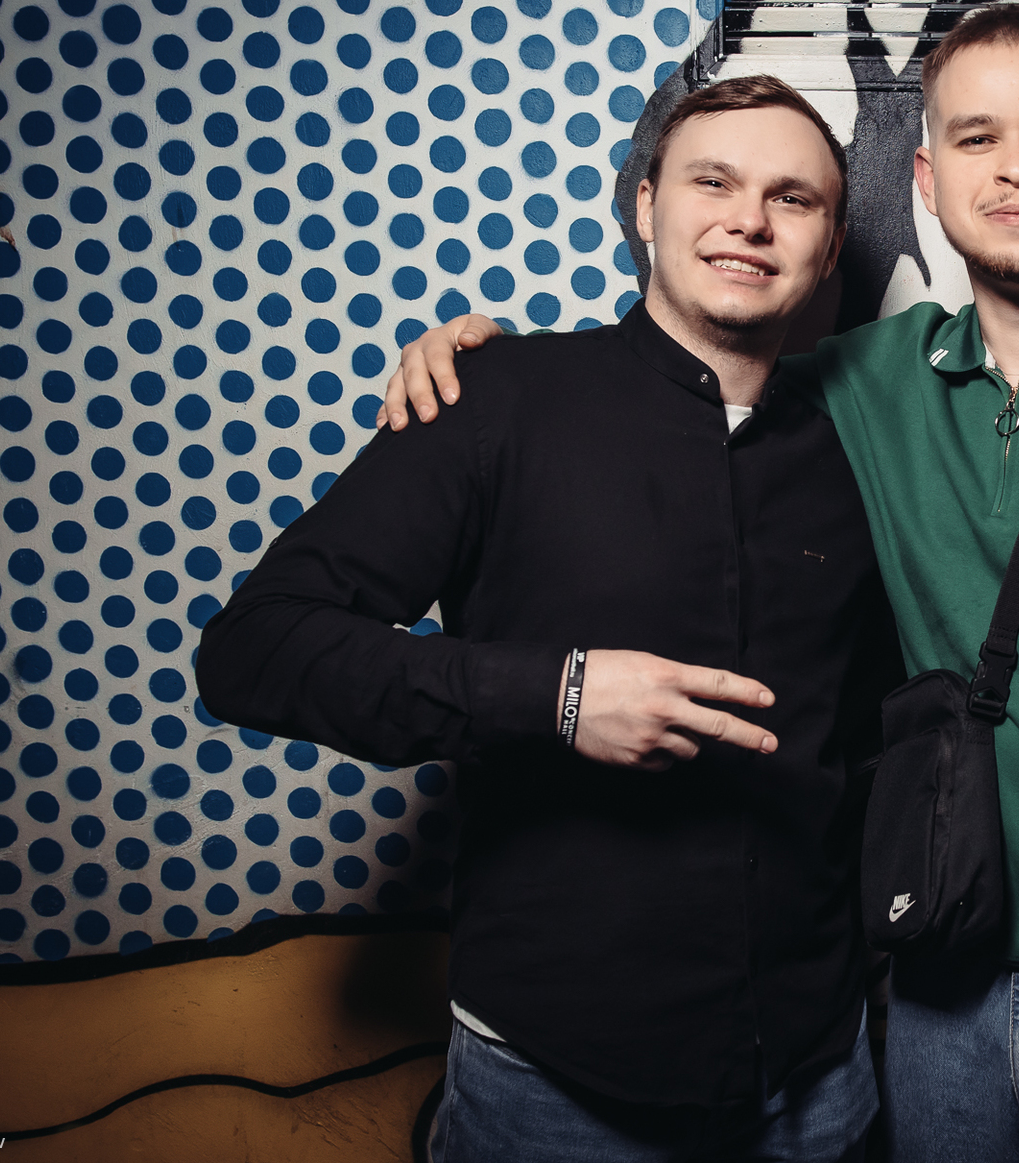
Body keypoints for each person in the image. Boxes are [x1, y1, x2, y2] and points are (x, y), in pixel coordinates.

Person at [385, 5, 1019, 1162]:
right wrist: (485, 364)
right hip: (937, 1002)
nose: (1015, 167)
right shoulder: (861, 382)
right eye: (976, 137)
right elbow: (686, 375)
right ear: (925, 179)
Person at [196, 75, 901, 1163]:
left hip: (816, 1077)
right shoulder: (494, 398)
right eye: (713, 182)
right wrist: (556, 694)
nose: (750, 221)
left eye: (791, 198)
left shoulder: (869, 442)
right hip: (552, 1085)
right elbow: (255, 649)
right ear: (645, 205)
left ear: (831, 242)